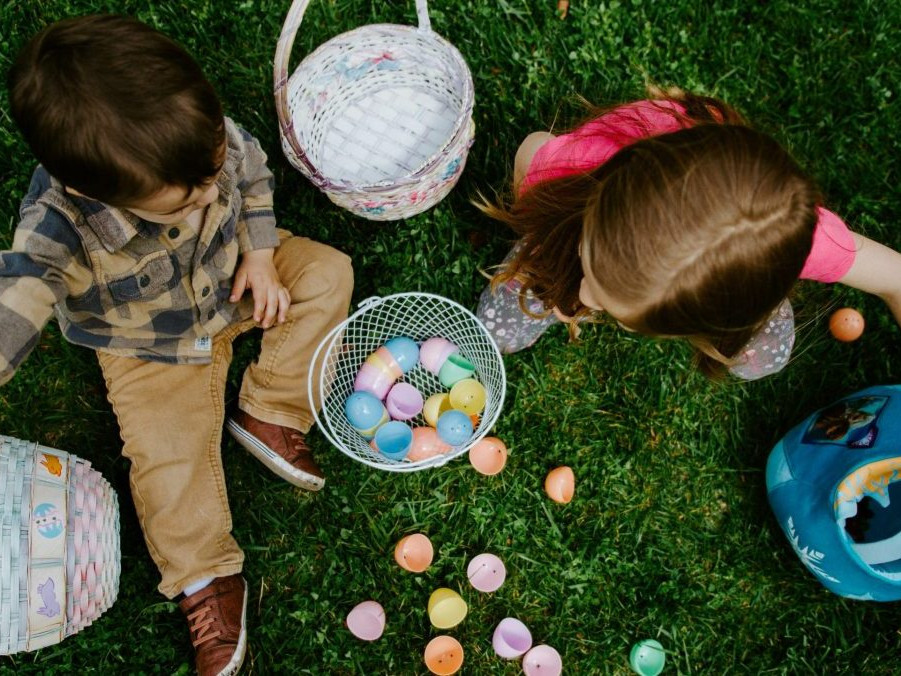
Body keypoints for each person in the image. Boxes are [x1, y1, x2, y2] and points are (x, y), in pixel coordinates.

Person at [3, 15, 353, 675]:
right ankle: (204, 576)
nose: (207, 197)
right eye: (182, 204)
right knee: (166, 458)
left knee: (327, 275)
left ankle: (270, 409)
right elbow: (18, 297)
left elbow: (250, 176)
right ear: (88, 189)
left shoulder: (201, 139)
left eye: (211, 176)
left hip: (235, 281)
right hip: (145, 344)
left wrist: (260, 252)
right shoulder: (57, 226)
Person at [476, 89, 901, 379]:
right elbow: (532, 146)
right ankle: (558, 256)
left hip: (743, 277)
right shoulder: (570, 171)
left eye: (607, 302)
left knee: (758, 359)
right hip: (580, 206)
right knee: (519, 305)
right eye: (591, 259)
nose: (586, 298)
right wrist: (546, 234)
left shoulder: (807, 241)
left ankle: (753, 300)